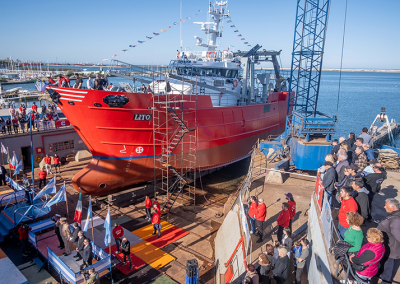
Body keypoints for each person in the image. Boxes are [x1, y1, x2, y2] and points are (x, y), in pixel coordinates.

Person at [377, 198, 400, 284]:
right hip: (389, 249)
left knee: (388, 274)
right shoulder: (395, 216)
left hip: (392, 253)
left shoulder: (395, 221)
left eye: (386, 205)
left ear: (393, 207)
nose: (384, 207)